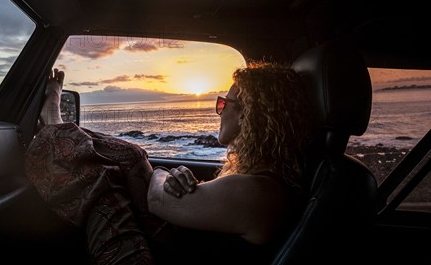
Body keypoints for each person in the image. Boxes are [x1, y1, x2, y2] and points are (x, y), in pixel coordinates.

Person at [25, 62, 315, 264]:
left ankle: (54, 122)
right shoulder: (263, 182)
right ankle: (55, 126)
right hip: (173, 248)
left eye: (223, 103)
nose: (219, 111)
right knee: (119, 167)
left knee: (115, 175)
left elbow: (156, 198)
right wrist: (175, 174)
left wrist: (163, 171)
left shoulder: (258, 193)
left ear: (247, 115)